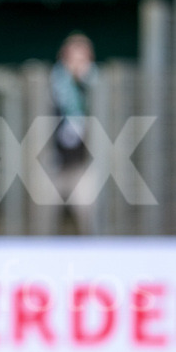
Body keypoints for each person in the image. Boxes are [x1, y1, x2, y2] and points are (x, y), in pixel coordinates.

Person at [49, 32, 101, 235]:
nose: (78, 64)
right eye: (74, 58)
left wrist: (85, 85)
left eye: (83, 59)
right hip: (52, 163)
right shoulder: (52, 85)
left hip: (83, 163)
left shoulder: (97, 87)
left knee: (87, 215)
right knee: (45, 218)